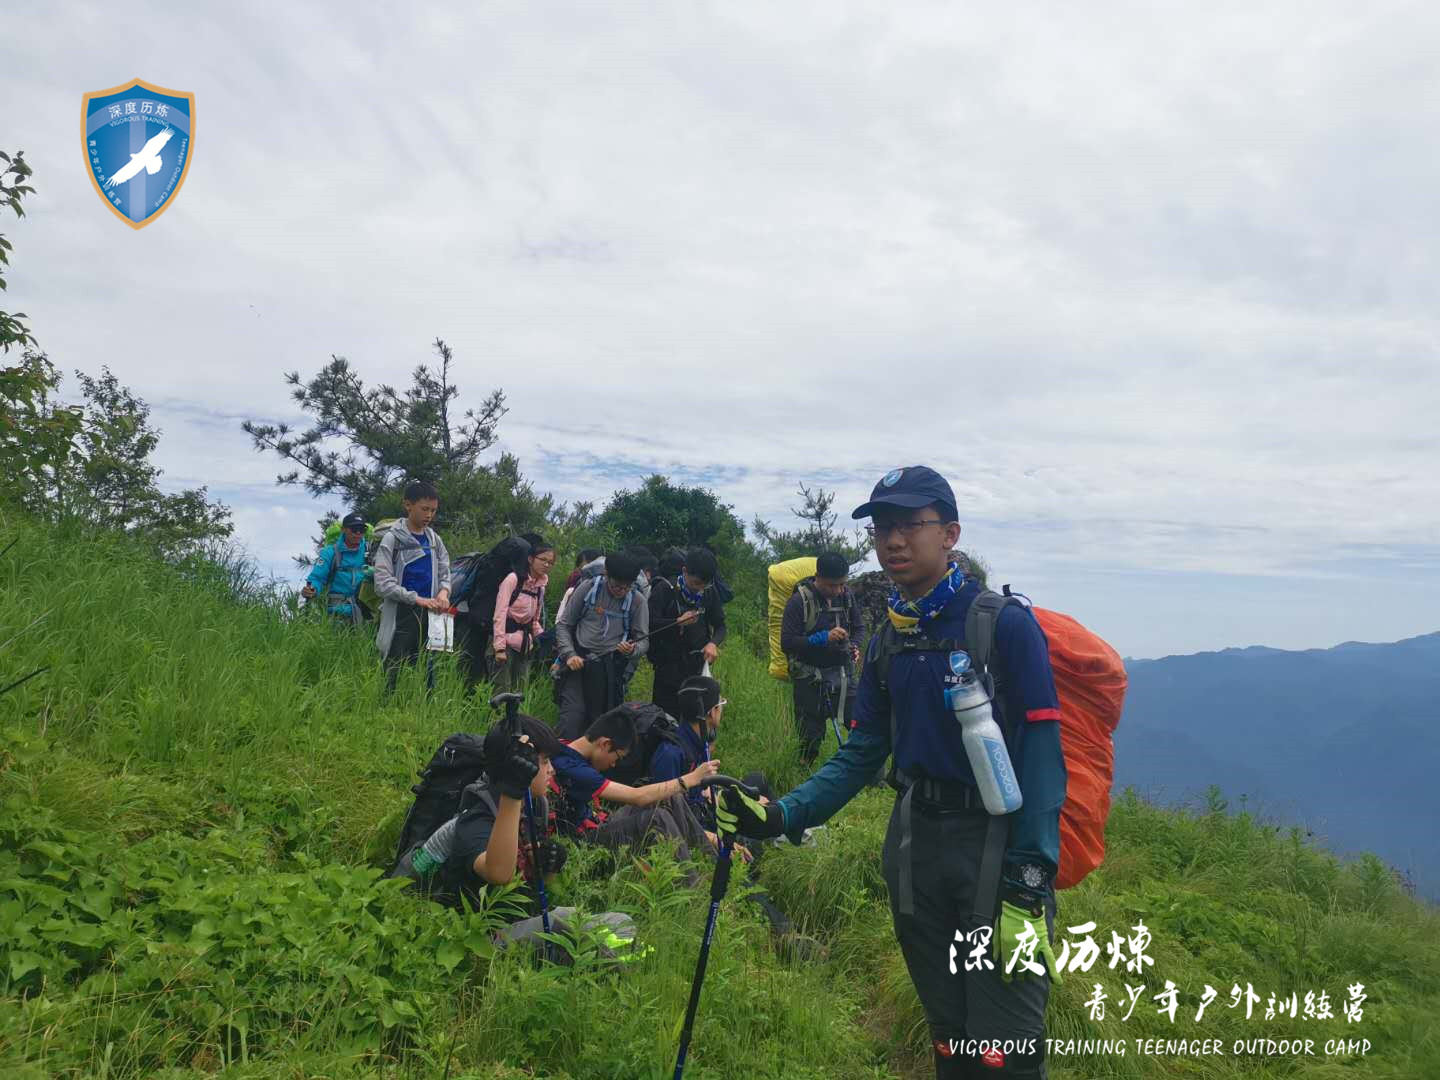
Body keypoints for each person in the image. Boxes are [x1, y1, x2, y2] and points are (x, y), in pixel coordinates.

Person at [717, 466, 1067, 1079]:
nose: (893, 540)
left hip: (995, 848)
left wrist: (1029, 885)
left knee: (1003, 1050)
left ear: (950, 533)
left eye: (910, 524)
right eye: (882, 527)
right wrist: (781, 816)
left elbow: (1041, 757)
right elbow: (860, 754)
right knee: (949, 1035)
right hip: (915, 845)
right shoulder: (888, 640)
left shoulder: (1004, 626)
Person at [550, 704, 719, 863]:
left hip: (597, 822)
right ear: (605, 744)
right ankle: (693, 885)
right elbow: (638, 797)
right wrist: (690, 779)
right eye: (618, 756)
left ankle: (711, 859)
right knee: (658, 818)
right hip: (584, 841)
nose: (614, 764)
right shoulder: (572, 767)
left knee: (671, 797)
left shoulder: (567, 748)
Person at [553, 551, 650, 740]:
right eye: (616, 586)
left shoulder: (638, 601)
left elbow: (643, 640)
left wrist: (632, 650)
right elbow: (564, 625)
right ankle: (562, 759)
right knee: (572, 717)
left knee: (601, 725)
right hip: (578, 663)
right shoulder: (588, 588)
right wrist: (569, 654)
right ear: (606, 574)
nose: (621, 591)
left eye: (626, 587)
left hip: (610, 669)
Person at [781, 550, 865, 763]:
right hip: (810, 676)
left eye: (842, 584)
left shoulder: (846, 596)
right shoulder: (799, 602)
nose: (837, 590)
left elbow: (859, 628)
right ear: (818, 577)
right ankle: (804, 768)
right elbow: (787, 642)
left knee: (860, 722)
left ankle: (874, 777)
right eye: (831, 585)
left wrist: (853, 645)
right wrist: (822, 638)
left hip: (843, 673)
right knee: (810, 731)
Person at [373, 480, 452, 692]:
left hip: (432, 613)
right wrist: (416, 599)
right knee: (393, 666)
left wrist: (444, 593)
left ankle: (422, 709)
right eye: (424, 509)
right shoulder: (392, 539)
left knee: (428, 667)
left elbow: (445, 571)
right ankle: (386, 708)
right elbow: (382, 584)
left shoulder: (435, 540)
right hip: (401, 612)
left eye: (433, 510)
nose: (429, 515)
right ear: (408, 505)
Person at [647, 547, 727, 719]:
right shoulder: (664, 589)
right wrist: (676, 623)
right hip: (667, 668)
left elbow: (720, 626)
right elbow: (649, 625)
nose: (700, 588)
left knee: (695, 721)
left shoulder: (709, 592)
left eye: (705, 584)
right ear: (684, 571)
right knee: (665, 721)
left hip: (696, 668)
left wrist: (713, 643)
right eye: (696, 583)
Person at [489, 539, 555, 692]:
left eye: (550, 562)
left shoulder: (540, 588)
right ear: (531, 559)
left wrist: (546, 639)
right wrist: (499, 648)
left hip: (525, 646)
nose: (547, 565)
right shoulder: (513, 579)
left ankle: (516, 717)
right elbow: (499, 614)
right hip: (504, 643)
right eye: (543, 560)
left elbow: (534, 621)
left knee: (520, 693)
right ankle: (497, 717)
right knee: (501, 693)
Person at [300, 511, 371, 626]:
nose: (358, 533)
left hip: (365, 614)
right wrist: (312, 589)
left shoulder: (369, 551)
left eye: (362, 529)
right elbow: (317, 578)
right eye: (354, 529)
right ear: (344, 529)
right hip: (335, 614)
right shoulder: (330, 553)